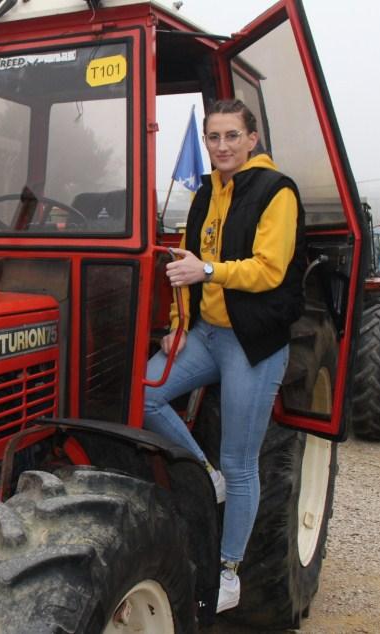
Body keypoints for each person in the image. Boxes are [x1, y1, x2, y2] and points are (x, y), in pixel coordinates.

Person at [143, 99, 305, 613]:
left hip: (251, 341)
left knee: (241, 459)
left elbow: (269, 270)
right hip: (207, 334)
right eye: (214, 137)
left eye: (232, 136)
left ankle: (229, 570)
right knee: (144, 395)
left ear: (252, 138)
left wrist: (208, 273)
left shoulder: (276, 191)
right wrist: (177, 325)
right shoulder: (204, 192)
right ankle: (203, 472)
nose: (222, 146)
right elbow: (183, 265)